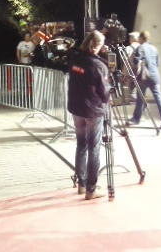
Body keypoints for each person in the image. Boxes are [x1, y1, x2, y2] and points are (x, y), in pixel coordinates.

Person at [67, 30, 110, 200]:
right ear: (98, 45)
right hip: (92, 111)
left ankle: (82, 185)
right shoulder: (98, 65)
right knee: (94, 149)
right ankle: (91, 189)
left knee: (81, 145)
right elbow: (104, 92)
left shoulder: (75, 58)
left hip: (76, 108)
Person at [128, 30, 161, 129]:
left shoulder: (140, 48)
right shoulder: (154, 48)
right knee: (159, 98)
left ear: (141, 38)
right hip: (155, 77)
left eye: (139, 38)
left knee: (140, 98)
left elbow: (136, 61)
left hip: (144, 76)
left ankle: (136, 119)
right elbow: (158, 63)